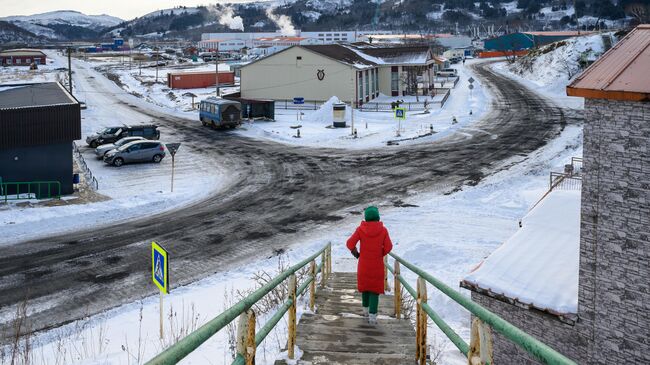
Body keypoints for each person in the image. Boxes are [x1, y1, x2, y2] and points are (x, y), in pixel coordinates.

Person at [346, 206, 393, 325]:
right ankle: (372, 318)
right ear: (377, 217)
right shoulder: (383, 230)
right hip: (376, 265)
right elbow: (388, 247)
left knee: (365, 288)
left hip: (364, 265)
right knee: (374, 291)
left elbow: (350, 243)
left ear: (366, 217)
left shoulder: (360, 229)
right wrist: (380, 254)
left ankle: (365, 312)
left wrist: (357, 254)